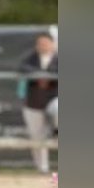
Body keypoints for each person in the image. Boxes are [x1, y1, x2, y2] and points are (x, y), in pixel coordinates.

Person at [18, 31, 58, 173]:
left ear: (53, 44)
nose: (43, 46)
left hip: (53, 98)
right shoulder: (31, 57)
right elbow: (22, 67)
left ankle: (56, 130)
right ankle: (42, 168)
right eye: (40, 44)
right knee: (36, 136)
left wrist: (48, 77)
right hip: (34, 101)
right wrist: (39, 75)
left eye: (46, 43)